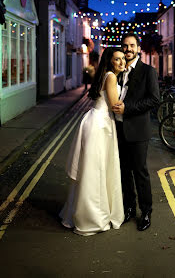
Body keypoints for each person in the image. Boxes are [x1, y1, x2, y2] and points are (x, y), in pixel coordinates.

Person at [59, 47, 126, 236]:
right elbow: (114, 106)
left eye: (123, 59)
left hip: (94, 120)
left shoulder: (103, 74)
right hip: (101, 125)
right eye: (117, 59)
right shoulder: (111, 77)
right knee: (96, 171)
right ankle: (92, 218)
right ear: (110, 61)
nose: (122, 63)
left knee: (90, 169)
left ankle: (79, 214)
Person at [112, 32, 160, 231]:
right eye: (125, 45)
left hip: (138, 130)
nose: (128, 49)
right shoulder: (119, 70)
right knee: (124, 172)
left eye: (131, 45)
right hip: (119, 129)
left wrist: (128, 108)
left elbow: (154, 99)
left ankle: (146, 212)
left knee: (140, 172)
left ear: (138, 48)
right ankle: (129, 208)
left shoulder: (148, 71)